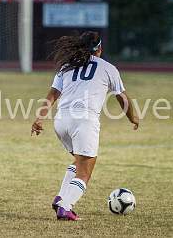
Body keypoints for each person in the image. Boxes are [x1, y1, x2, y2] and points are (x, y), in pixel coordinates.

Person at [31, 31, 139, 221]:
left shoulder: (66, 66)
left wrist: (40, 118)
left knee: (79, 161)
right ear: (99, 49)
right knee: (85, 172)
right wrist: (133, 118)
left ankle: (61, 198)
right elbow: (122, 98)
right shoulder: (108, 68)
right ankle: (66, 207)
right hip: (84, 121)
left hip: (61, 121)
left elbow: (52, 94)